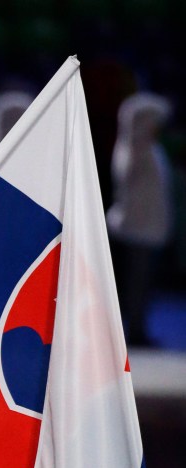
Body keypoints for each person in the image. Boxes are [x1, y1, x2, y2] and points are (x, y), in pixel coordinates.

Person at [106, 92, 175, 347]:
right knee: (135, 285)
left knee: (143, 285)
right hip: (137, 229)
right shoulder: (133, 149)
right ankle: (134, 332)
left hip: (149, 228)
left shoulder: (149, 148)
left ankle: (138, 328)